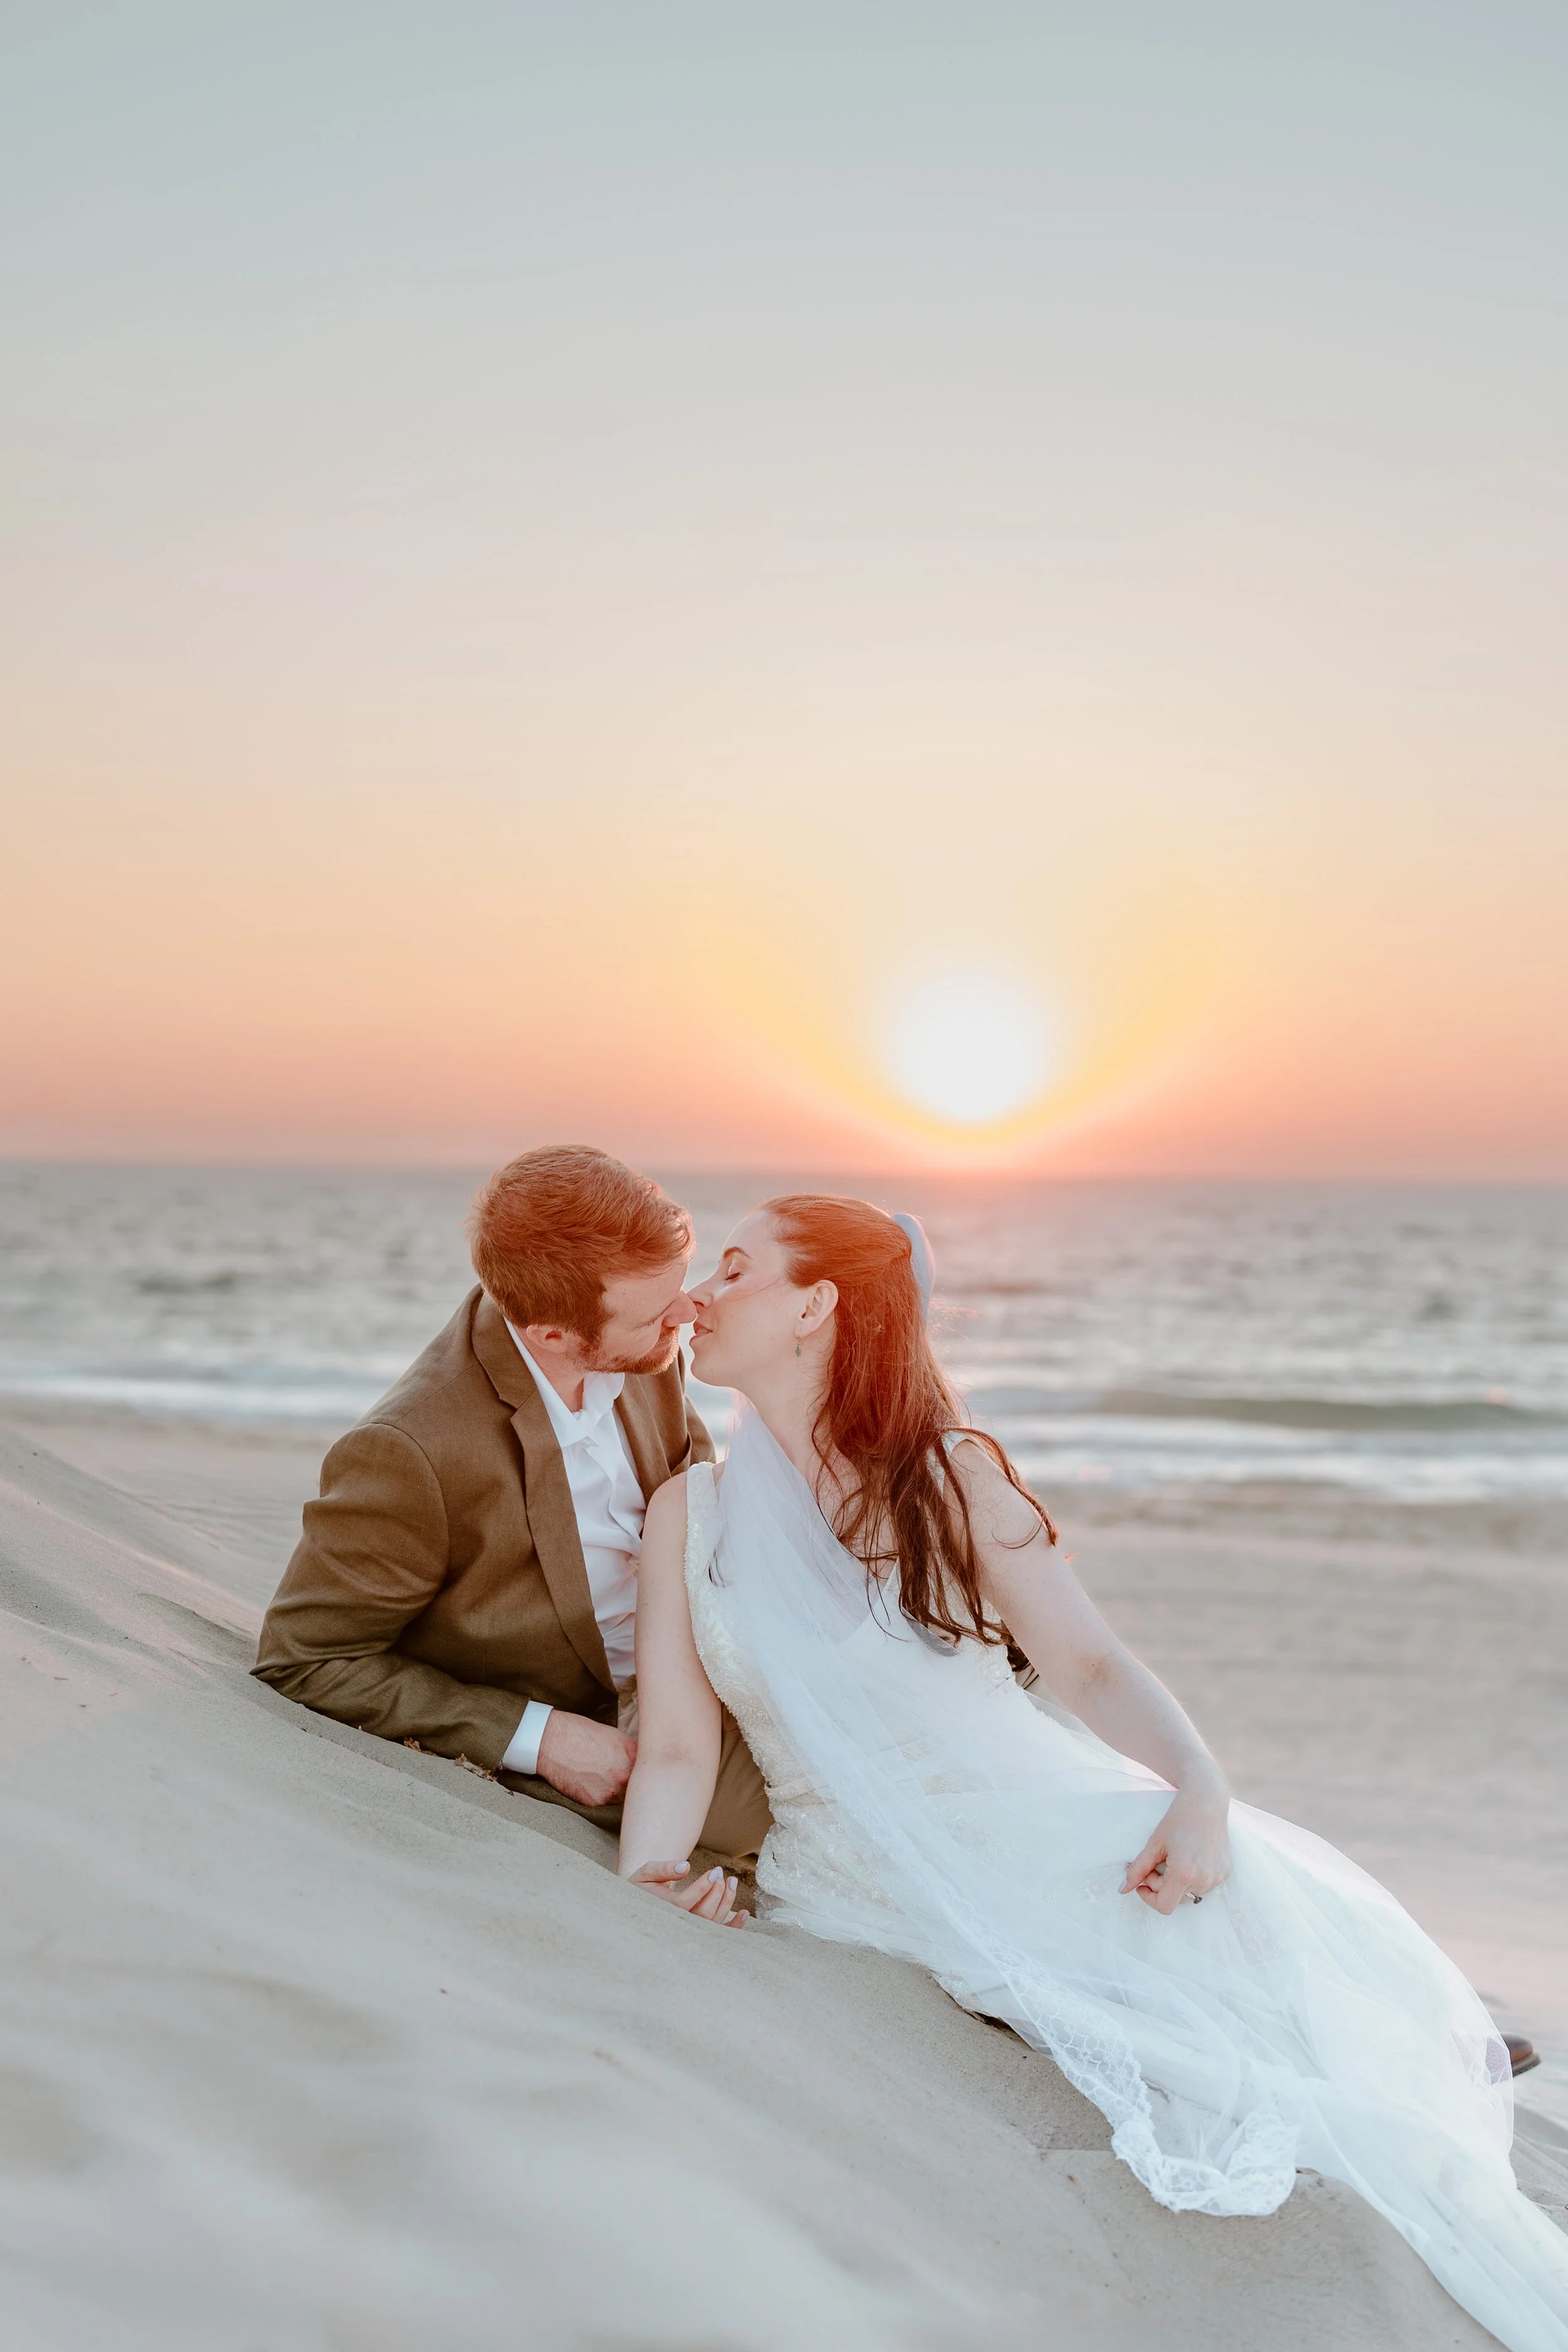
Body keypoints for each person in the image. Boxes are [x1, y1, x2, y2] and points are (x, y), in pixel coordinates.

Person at [618, 1194, 1568, 2352]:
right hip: (851, 1886)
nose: (698, 1298)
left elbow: (1090, 1662)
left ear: (814, 1306)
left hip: (1036, 1835)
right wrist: (655, 1875)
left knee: (1251, 2010)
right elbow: (676, 1744)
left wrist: (1199, 1788)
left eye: (733, 1271)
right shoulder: (690, 1511)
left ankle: (1436, 2065)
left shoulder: (950, 1476)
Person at [253, 1146, 769, 1867]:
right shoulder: (411, 1454)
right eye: (657, 1312)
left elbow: (695, 1499)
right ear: (552, 1335)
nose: (687, 1315)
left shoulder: (645, 1342)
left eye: (678, 1289)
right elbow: (305, 1658)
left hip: (700, 1659)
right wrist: (538, 1737)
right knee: (796, 1811)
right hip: (604, 1718)